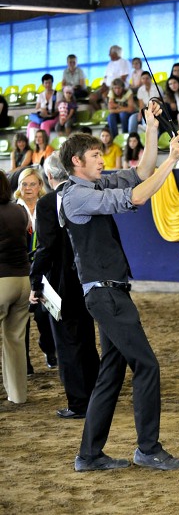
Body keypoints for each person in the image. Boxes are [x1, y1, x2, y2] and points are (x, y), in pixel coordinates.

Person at [60, 100, 179, 472]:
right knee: (147, 365)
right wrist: (172, 159)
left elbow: (140, 173)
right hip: (105, 294)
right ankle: (147, 449)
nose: (102, 160)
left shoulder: (94, 182)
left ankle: (89, 455)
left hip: (110, 292)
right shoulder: (77, 195)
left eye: (101, 155)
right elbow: (137, 196)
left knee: (111, 374)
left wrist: (152, 131)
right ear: (76, 163)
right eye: (95, 155)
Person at [29, 153, 99, 419]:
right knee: (86, 339)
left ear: (49, 177)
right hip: (87, 278)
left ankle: (79, 404)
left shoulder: (47, 203)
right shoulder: (85, 194)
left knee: (68, 344)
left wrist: (35, 281)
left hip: (60, 283)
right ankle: (95, 395)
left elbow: (46, 247)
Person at [14, 168, 57, 372]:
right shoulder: (13, 209)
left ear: (40, 185)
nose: (28, 188)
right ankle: (25, 363)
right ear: (19, 187)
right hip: (19, 271)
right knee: (20, 319)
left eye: (32, 184)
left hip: (44, 271)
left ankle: (48, 349)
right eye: (24, 184)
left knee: (43, 316)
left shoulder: (47, 207)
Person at [0, 169, 30, 405]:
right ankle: (18, 395)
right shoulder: (20, 211)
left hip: (2, 281)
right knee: (15, 340)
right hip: (23, 281)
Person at [88, 45, 131, 114]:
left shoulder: (124, 62)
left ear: (115, 53)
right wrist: (103, 85)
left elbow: (123, 78)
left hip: (117, 87)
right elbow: (105, 77)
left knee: (105, 95)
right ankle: (101, 113)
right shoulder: (110, 64)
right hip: (107, 86)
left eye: (110, 53)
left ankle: (109, 114)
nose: (109, 55)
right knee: (92, 97)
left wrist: (111, 87)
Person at [27, 73, 58, 141]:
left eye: (49, 83)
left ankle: (45, 145)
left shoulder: (57, 94)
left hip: (53, 117)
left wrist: (51, 114)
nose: (48, 85)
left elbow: (59, 108)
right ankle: (31, 145)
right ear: (43, 84)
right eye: (46, 83)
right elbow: (37, 108)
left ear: (52, 83)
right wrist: (42, 110)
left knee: (44, 125)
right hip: (42, 117)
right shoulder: (40, 95)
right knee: (31, 125)